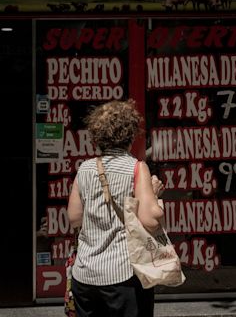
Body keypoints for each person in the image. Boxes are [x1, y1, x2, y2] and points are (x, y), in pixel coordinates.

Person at [67, 99, 164, 317]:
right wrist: (155, 195)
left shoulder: (85, 169)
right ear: (130, 135)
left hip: (85, 276)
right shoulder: (137, 169)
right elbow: (150, 220)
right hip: (123, 276)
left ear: (97, 136)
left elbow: (74, 218)